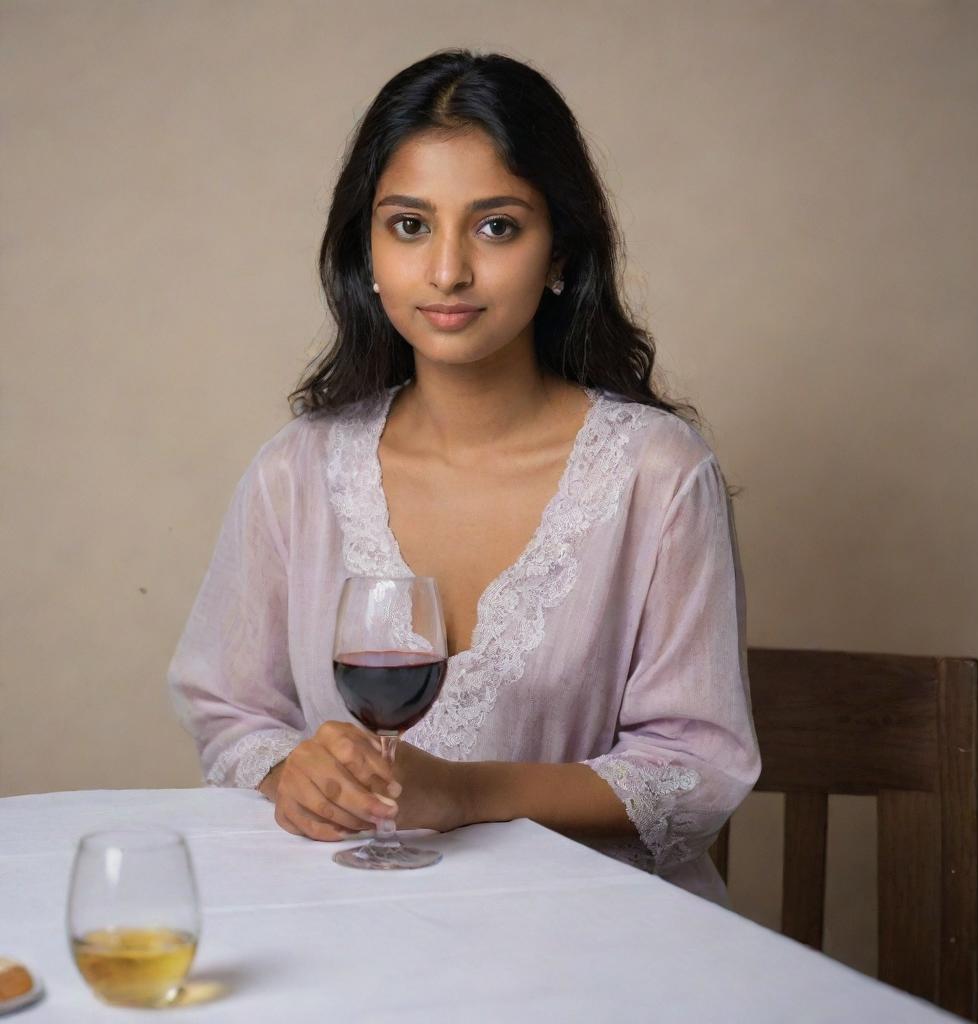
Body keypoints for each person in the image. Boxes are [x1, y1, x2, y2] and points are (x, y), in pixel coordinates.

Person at [168, 49, 760, 905]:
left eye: (496, 226)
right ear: (365, 250)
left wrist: (468, 792)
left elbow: (695, 772)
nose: (447, 271)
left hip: (594, 941)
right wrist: (289, 769)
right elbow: (230, 714)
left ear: (560, 250)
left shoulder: (657, 474)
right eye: (410, 225)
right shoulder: (295, 473)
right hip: (348, 924)